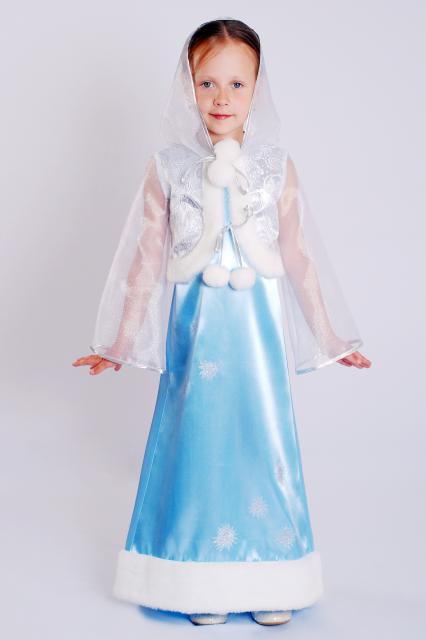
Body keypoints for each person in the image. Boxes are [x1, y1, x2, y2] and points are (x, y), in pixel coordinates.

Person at [73, 17, 371, 626]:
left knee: (262, 441)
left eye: (237, 84)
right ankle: (199, 580)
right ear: (187, 87)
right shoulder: (168, 167)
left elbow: (299, 256)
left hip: (256, 340)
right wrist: (119, 342)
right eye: (206, 83)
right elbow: (144, 260)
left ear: (258, 88)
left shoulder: (275, 166)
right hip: (197, 336)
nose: (221, 98)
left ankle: (272, 571)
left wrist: (331, 337)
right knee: (199, 444)